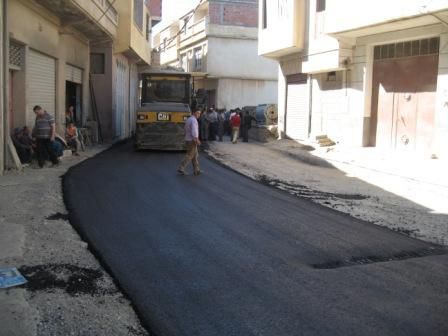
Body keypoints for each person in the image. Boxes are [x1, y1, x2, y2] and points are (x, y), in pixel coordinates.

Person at [177, 109, 202, 176]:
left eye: (199, 113)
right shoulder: (194, 120)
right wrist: (197, 139)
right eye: (198, 113)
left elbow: (185, 129)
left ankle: (196, 170)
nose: (199, 115)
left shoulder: (189, 119)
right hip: (192, 140)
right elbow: (194, 131)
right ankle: (181, 167)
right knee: (190, 155)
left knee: (195, 155)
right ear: (194, 112)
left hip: (188, 139)